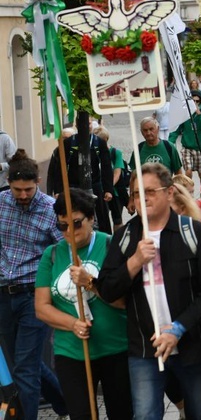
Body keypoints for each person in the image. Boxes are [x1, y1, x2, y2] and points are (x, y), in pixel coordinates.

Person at [97, 163, 201, 420]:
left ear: (169, 193)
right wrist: (133, 263)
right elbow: (107, 289)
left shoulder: (193, 232)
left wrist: (178, 327)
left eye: (150, 191)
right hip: (145, 347)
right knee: (145, 414)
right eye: (136, 193)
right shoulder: (125, 237)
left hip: (192, 344)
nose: (142, 198)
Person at [35, 188, 132, 420]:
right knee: (82, 415)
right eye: (62, 226)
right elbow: (41, 307)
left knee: (122, 413)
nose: (69, 231)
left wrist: (90, 282)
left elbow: (126, 302)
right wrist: (72, 324)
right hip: (71, 352)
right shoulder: (52, 255)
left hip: (115, 348)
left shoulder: (111, 246)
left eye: (76, 223)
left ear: (91, 219)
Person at [0, 150, 67, 420]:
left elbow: (62, 249)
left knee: (24, 370)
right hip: (3, 294)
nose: (23, 195)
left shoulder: (51, 209)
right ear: (9, 183)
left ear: (37, 181)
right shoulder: (1, 203)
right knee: (22, 363)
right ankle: (66, 404)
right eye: (17, 190)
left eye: (28, 189)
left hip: (33, 296)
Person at [48, 122, 115, 234]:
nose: (86, 126)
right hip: (73, 187)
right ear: (77, 125)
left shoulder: (99, 143)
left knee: (102, 219)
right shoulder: (68, 143)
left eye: (88, 123)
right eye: (83, 122)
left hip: (95, 186)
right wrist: (59, 190)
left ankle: (105, 243)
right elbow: (60, 168)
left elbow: (106, 167)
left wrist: (108, 189)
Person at [169, 90, 201, 178]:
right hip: (187, 148)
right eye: (193, 101)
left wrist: (199, 115)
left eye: (197, 101)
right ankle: (189, 190)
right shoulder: (184, 114)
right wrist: (170, 142)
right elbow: (176, 130)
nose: (195, 103)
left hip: (200, 148)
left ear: (200, 102)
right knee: (188, 171)